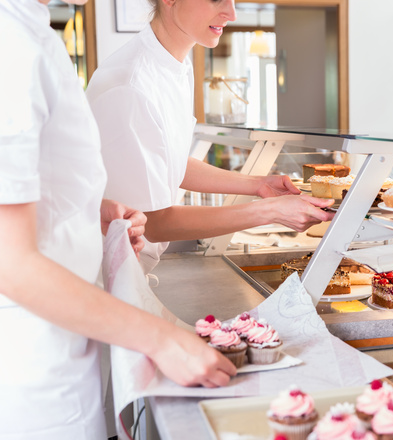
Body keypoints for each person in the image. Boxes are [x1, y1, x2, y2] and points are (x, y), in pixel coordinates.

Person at [0, 1, 236, 438]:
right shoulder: (9, 43)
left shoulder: (32, 32)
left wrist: (95, 206)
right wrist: (161, 337)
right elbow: (9, 263)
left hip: (68, 338)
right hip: (35, 359)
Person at [86, 0, 335, 274]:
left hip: (132, 267)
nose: (232, 13)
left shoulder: (175, 63)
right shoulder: (131, 85)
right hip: (102, 275)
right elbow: (155, 223)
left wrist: (258, 185)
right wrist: (271, 211)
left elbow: (169, 162)